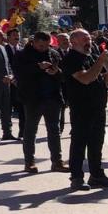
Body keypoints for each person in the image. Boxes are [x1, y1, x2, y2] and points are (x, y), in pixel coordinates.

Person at [60, 30, 108, 191]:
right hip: (81, 108)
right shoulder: (70, 59)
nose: (89, 40)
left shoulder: (92, 56)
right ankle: (77, 177)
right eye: (84, 38)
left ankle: (96, 175)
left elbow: (106, 82)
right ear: (74, 41)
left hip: (98, 106)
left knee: (96, 143)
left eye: (89, 37)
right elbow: (86, 79)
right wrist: (101, 61)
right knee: (80, 142)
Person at [13, 32, 68, 174]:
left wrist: (56, 72)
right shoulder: (22, 55)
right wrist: (38, 67)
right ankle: (29, 162)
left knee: (54, 131)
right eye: (41, 45)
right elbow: (19, 74)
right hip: (32, 99)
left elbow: (63, 76)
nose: (44, 48)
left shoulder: (54, 54)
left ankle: (57, 161)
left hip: (52, 98)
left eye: (46, 45)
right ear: (34, 43)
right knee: (30, 131)